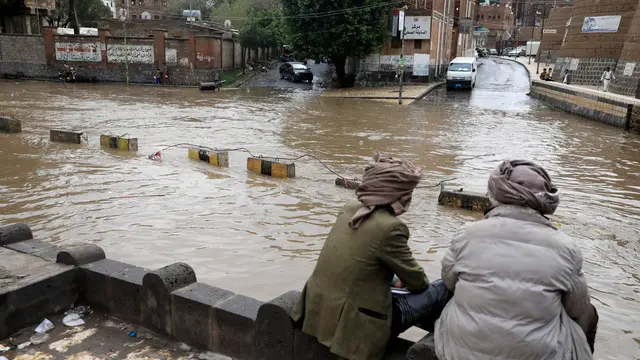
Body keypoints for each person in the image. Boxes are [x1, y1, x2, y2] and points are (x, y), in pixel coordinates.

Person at [291, 153, 452, 360]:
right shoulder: (392, 227)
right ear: (400, 195)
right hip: (358, 323)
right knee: (442, 288)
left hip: (320, 312)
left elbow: (362, 264)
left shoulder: (348, 209)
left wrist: (394, 278)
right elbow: (419, 283)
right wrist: (400, 279)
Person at [434, 160, 599, 360]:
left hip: (456, 352)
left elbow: (448, 280)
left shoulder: (466, 233)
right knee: (589, 313)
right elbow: (577, 308)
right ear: (546, 202)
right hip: (541, 355)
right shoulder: (566, 247)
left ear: (495, 195)